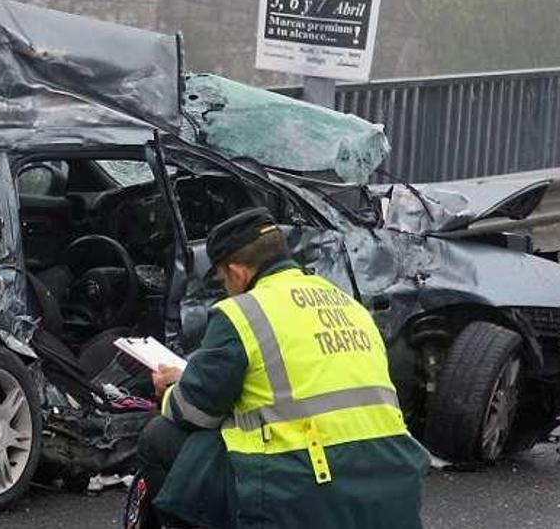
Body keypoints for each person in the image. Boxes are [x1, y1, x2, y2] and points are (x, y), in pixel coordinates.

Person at [130, 207, 430, 529]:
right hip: (390, 483)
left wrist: (171, 390)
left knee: (159, 437)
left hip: (304, 490)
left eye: (221, 279)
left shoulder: (242, 312)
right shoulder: (350, 306)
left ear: (237, 272)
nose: (224, 287)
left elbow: (194, 411)